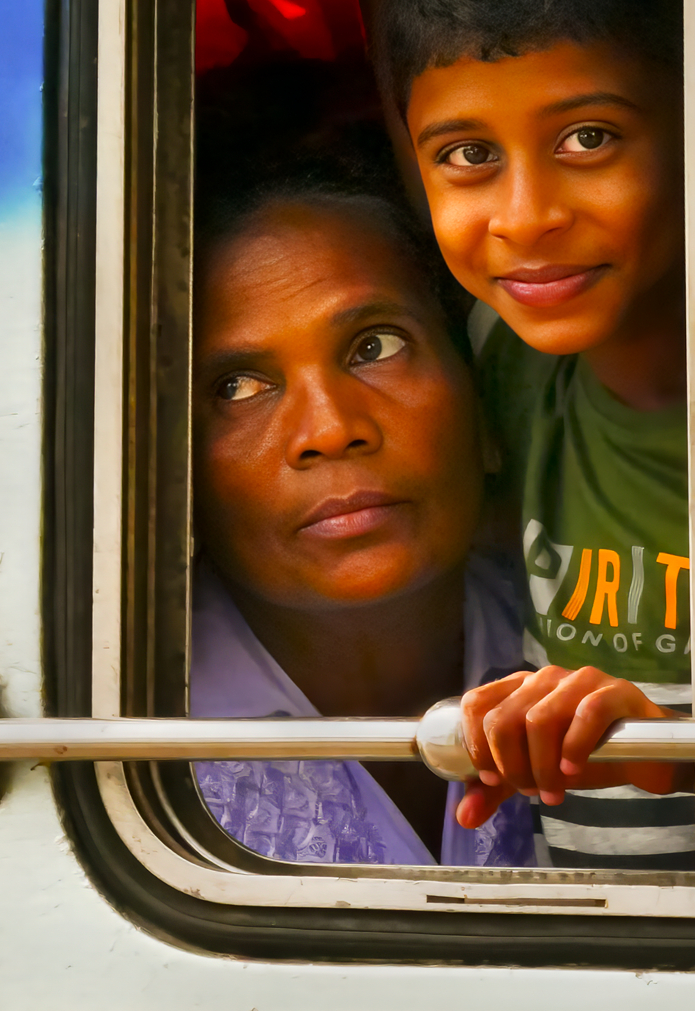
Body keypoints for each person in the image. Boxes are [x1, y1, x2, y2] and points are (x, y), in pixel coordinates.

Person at [366, 0, 695, 871]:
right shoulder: (512, 353)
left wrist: (675, 754)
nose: (524, 217)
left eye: (589, 138)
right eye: (467, 155)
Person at [188, 147, 538, 866]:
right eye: (239, 388)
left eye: (374, 347)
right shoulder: (122, 732)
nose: (329, 429)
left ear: (482, 397)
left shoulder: (588, 639)